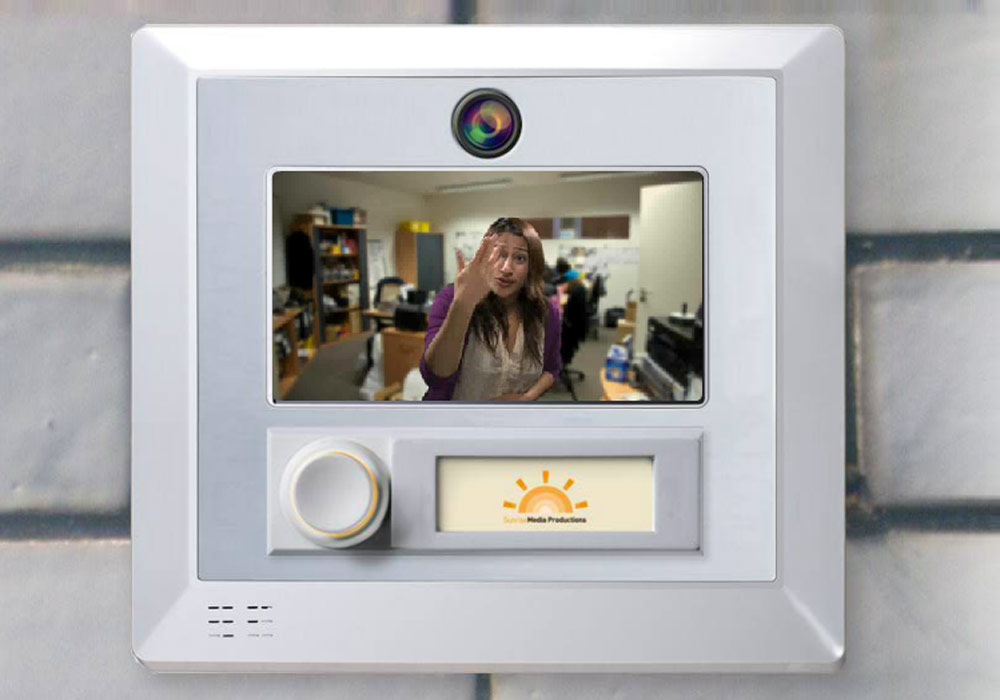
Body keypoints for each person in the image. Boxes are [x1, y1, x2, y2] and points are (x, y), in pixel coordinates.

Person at [420, 217, 562, 401]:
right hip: (455, 417)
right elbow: (435, 376)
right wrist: (463, 303)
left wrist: (526, 399)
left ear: (531, 266)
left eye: (520, 258)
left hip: (514, 418)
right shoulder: (451, 299)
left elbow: (552, 369)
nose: (506, 268)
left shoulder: (545, 311)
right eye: (499, 255)